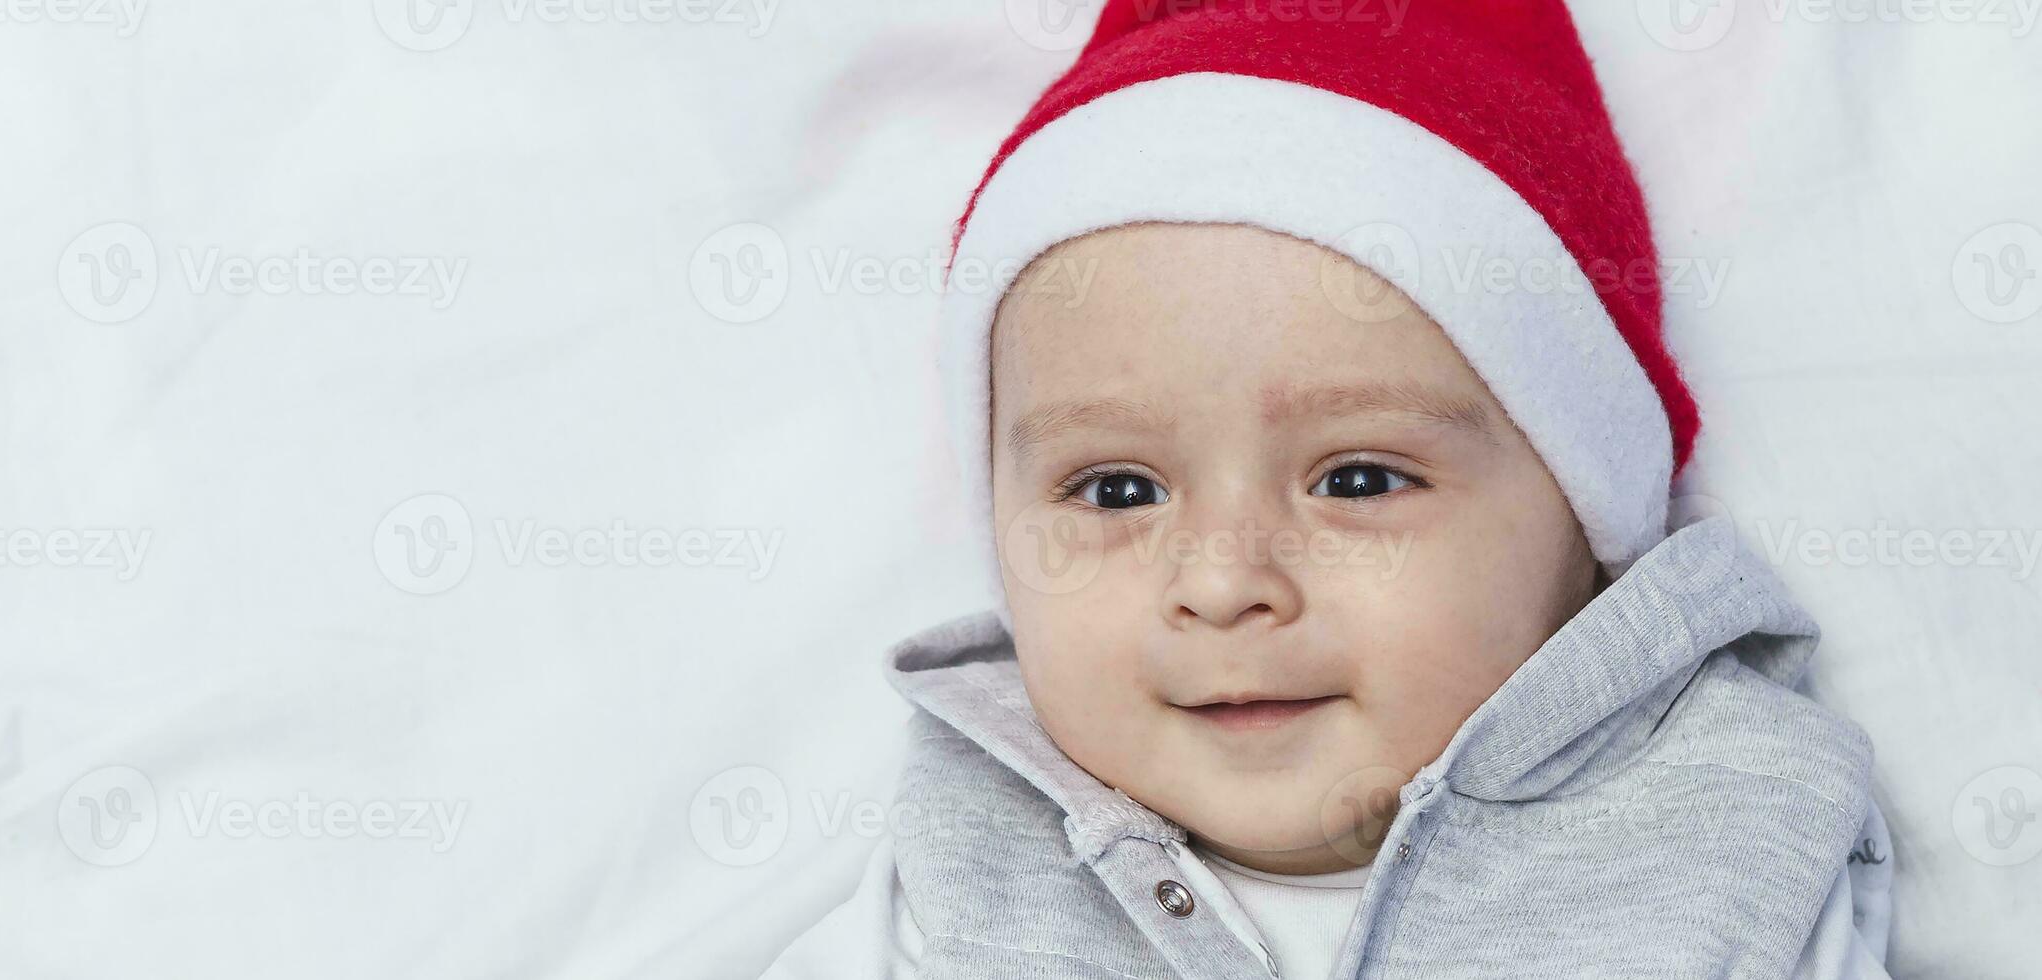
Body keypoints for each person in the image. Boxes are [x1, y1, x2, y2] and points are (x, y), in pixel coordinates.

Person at [769, 2, 1893, 976]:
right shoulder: (964, 865)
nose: (1221, 582)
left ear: (1589, 521)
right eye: (1116, 491)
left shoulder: (1726, 829)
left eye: (1355, 479)